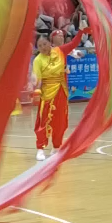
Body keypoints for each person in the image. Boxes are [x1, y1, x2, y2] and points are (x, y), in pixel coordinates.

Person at [30, 30, 83, 160]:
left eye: (44, 44)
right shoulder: (38, 60)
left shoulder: (60, 51)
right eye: (39, 45)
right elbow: (36, 78)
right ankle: (40, 149)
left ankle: (56, 147)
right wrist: (35, 85)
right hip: (47, 93)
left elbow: (74, 43)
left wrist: (81, 31)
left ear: (50, 43)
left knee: (60, 122)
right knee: (43, 121)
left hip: (61, 92)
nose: (43, 47)